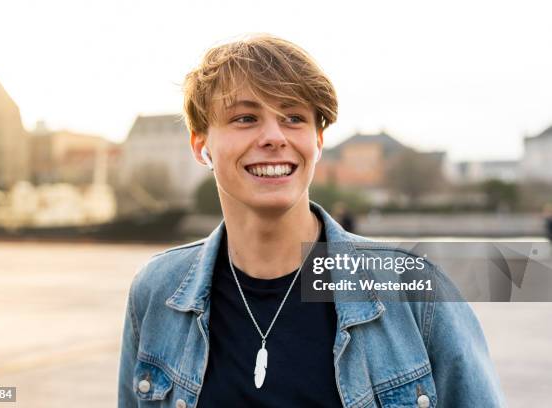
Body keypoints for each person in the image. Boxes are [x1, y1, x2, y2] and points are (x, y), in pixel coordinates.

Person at [118, 34, 505, 407]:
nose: (274, 136)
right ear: (201, 144)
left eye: (293, 117)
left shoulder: (413, 289)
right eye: (246, 118)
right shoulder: (156, 292)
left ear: (318, 142)